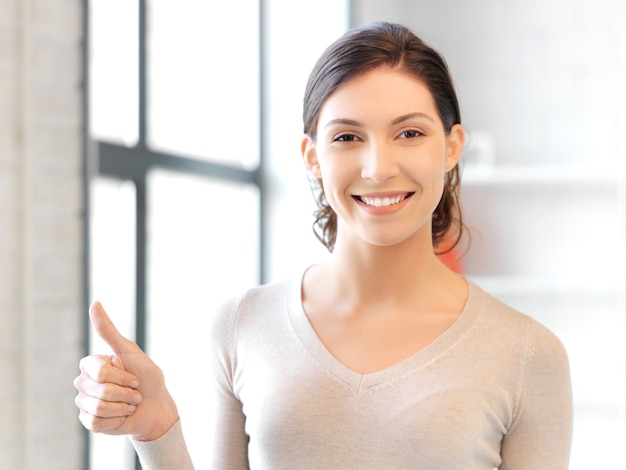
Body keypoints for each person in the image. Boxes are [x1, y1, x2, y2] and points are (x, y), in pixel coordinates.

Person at [74, 21, 573, 469]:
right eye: (347, 138)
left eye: (409, 132)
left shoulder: (530, 356)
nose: (378, 168)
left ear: (451, 146)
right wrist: (156, 431)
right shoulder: (239, 326)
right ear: (312, 157)